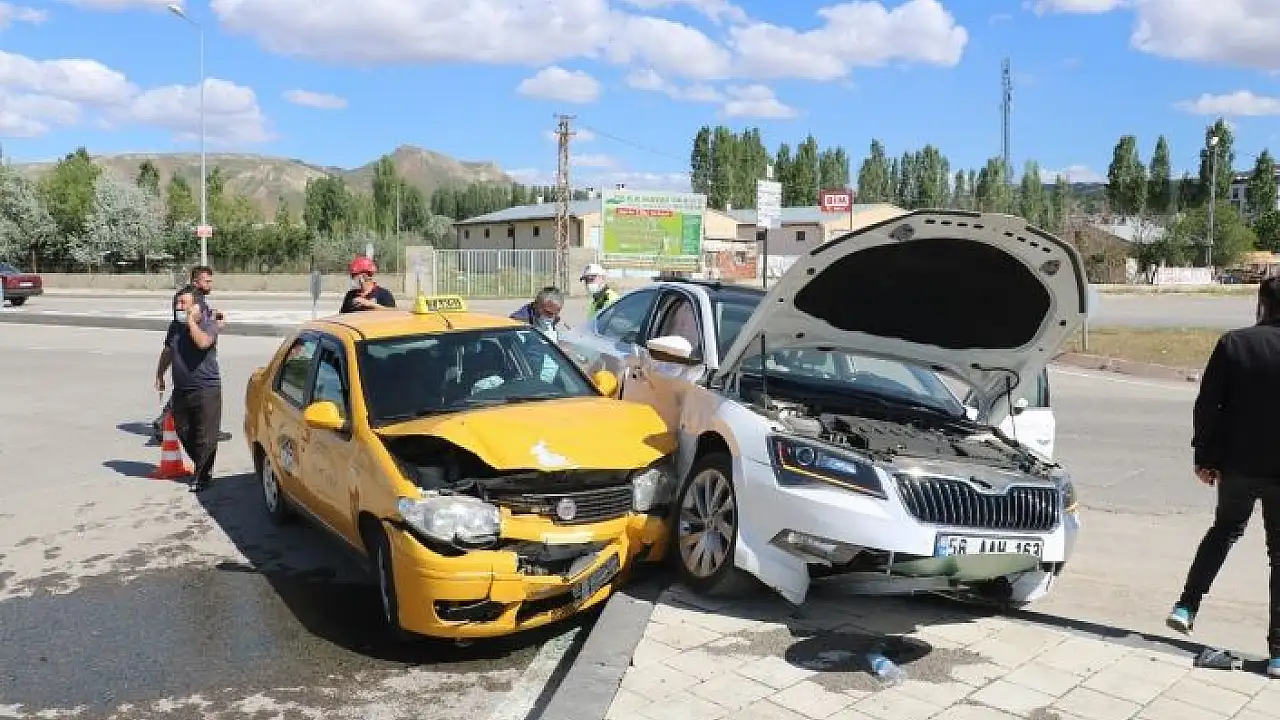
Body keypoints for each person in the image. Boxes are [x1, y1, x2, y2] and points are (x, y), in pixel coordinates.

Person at [1166, 276, 1280, 678]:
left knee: (1224, 531)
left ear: (1263, 304)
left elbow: (1208, 405)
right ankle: (1278, 654)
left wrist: (1205, 456)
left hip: (1237, 467)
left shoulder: (1235, 344)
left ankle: (1186, 606)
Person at [155, 286, 224, 492]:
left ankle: (202, 475)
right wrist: (159, 374)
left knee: (205, 435)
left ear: (196, 306)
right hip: (181, 388)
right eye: (177, 303)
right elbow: (168, 351)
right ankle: (202, 465)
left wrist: (192, 322)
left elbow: (203, 343)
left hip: (206, 388)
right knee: (183, 430)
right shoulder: (175, 326)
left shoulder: (209, 322)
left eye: (183, 303)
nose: (178, 307)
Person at [152, 266, 228, 442]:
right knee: (191, 392)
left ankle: (172, 424)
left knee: (187, 393)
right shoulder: (191, 300)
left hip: (190, 355)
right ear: (195, 282)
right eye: (206, 281)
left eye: (210, 281)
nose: (210, 284)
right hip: (193, 357)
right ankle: (165, 423)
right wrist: (214, 326)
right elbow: (191, 331)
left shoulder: (197, 300)